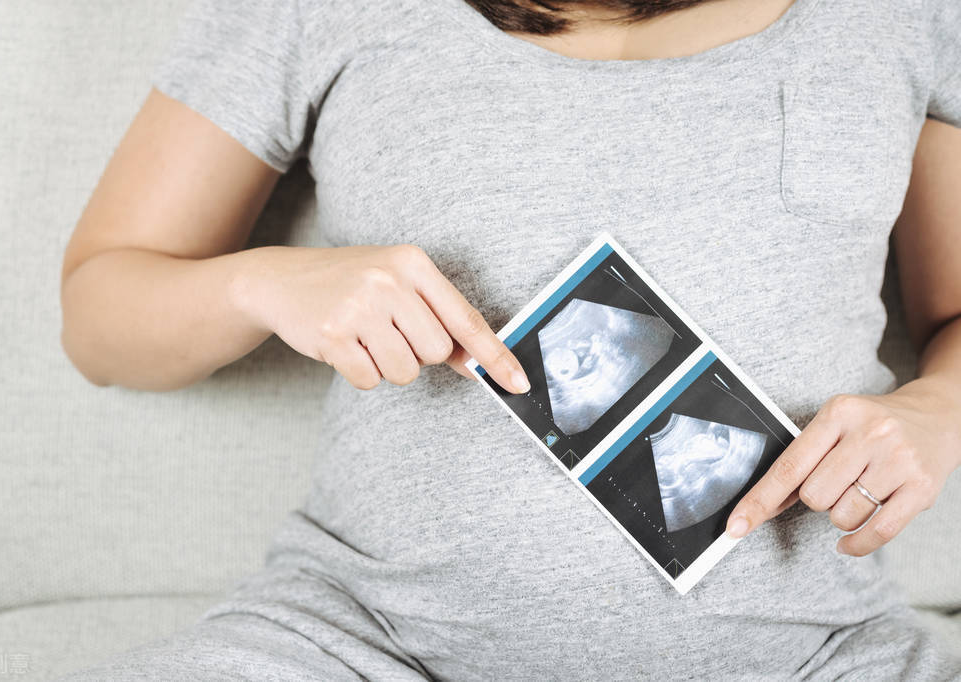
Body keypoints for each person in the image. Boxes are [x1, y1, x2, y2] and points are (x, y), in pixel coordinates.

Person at [59, 0, 961, 678]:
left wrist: (938, 405)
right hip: (358, 643)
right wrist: (262, 282)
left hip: (821, 657)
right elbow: (99, 319)